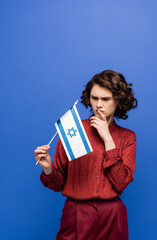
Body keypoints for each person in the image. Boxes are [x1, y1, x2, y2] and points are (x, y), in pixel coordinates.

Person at [34, 70, 137, 240]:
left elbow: (121, 183)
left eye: (105, 99)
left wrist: (108, 139)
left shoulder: (127, 137)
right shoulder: (73, 130)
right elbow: (57, 184)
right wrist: (48, 169)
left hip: (112, 216)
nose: (98, 105)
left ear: (118, 100)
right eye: (94, 98)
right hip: (76, 214)